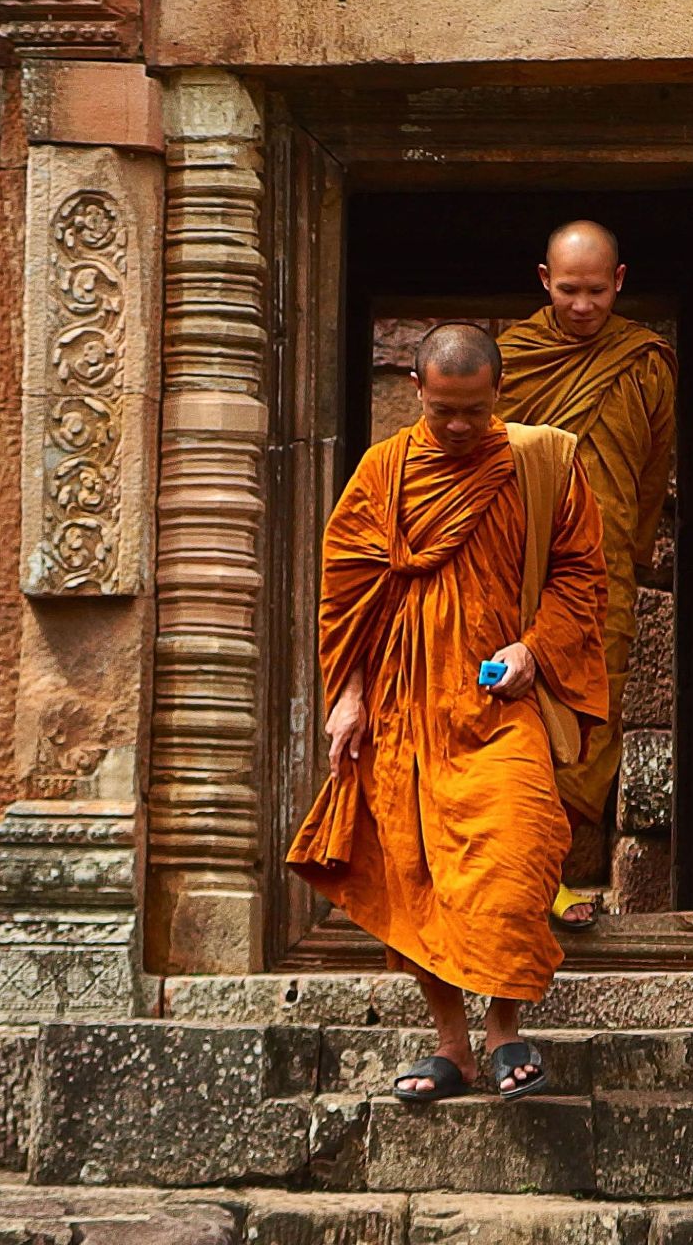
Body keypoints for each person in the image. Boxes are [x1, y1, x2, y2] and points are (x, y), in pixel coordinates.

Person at [287, 321, 609, 1102]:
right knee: (421, 876)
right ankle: (452, 1048)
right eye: (443, 413)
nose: (459, 427)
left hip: (501, 705)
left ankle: (505, 1031)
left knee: (516, 854)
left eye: (473, 409)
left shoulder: (544, 464)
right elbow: (347, 595)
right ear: (417, 396)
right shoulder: (384, 474)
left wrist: (536, 648)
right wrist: (350, 696)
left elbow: (581, 576)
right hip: (404, 708)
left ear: (497, 393)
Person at [497, 220, 677, 930]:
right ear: (545, 281)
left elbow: (651, 470)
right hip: (517, 580)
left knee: (590, 729)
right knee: (513, 724)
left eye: (596, 291)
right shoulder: (510, 360)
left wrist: (625, 559)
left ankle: (560, 880)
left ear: (620, 282)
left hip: (602, 583)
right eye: (568, 290)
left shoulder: (644, 364)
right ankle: (508, 882)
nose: (582, 305)